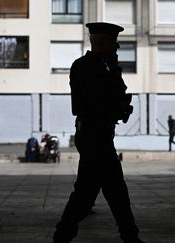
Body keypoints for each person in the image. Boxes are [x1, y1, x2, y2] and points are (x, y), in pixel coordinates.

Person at [53, 22, 144, 243]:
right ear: (102, 43)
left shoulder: (105, 66)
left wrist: (114, 72)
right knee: (97, 193)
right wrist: (114, 90)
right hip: (94, 135)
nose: (117, 48)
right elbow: (94, 99)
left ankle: (129, 236)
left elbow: (116, 91)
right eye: (114, 44)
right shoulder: (85, 66)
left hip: (101, 135)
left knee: (107, 191)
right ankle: (63, 235)